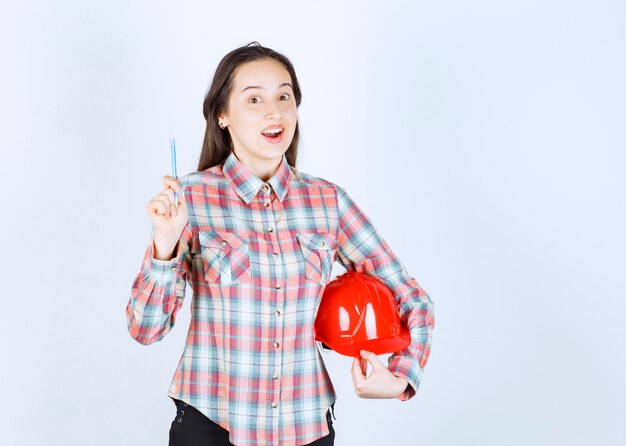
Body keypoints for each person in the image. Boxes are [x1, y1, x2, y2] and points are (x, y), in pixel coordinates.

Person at [125, 41, 435, 446]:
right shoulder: (191, 199)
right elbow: (144, 329)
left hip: (305, 427)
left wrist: (400, 378)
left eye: (284, 96)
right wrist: (164, 245)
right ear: (222, 115)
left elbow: (411, 297)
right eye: (254, 99)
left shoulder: (329, 202)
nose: (275, 112)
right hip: (211, 425)